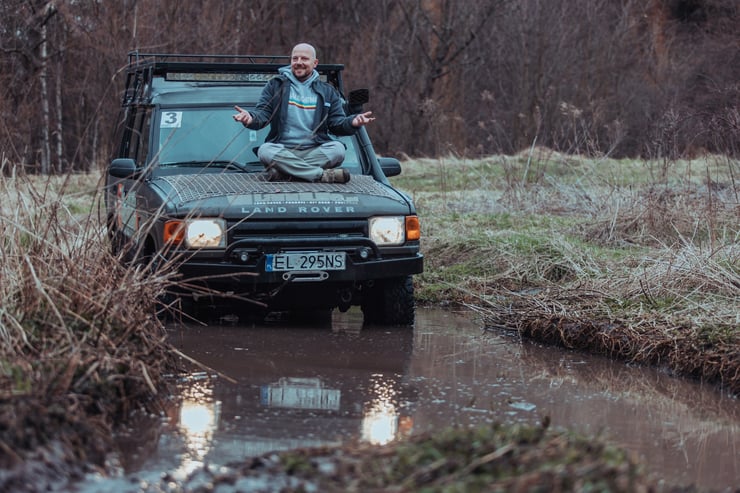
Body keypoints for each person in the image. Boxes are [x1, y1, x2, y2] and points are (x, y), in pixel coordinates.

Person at [233, 43, 375, 183]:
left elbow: (336, 124)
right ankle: (320, 175)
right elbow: (262, 115)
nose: (298, 62)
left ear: (315, 63)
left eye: (304, 59)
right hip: (283, 151)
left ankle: (285, 173)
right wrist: (250, 118)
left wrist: (352, 122)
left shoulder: (327, 91)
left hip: (314, 151)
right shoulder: (275, 85)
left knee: (338, 150)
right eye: (295, 59)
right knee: (265, 150)